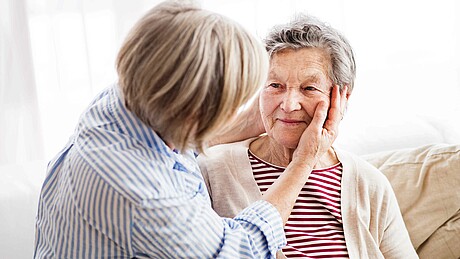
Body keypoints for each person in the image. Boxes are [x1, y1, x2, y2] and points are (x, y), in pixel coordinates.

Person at [33, 1, 346, 258]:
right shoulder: (146, 195)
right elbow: (240, 249)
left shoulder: (126, 96)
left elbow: (175, 130)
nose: (288, 103)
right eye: (274, 85)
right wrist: (303, 160)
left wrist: (249, 122)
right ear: (193, 111)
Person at [198, 14, 419, 258]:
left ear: (341, 97)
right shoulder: (213, 168)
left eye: (309, 88)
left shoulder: (370, 184)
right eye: (275, 86)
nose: (289, 104)